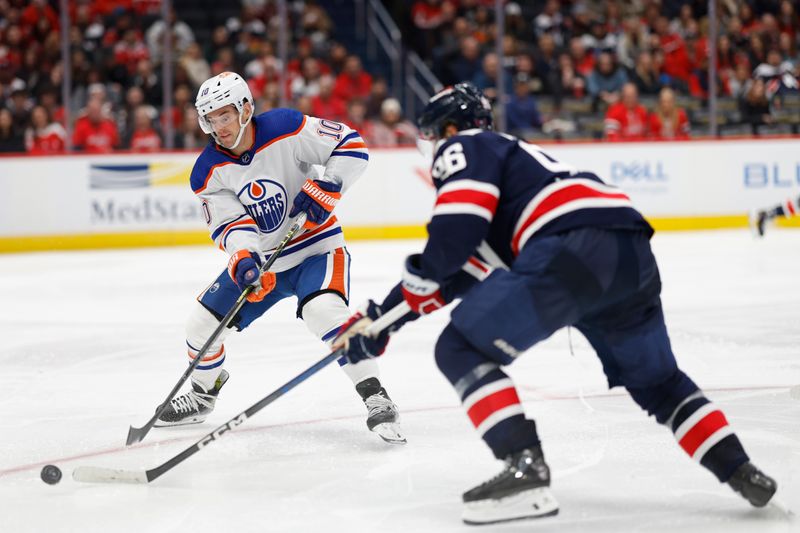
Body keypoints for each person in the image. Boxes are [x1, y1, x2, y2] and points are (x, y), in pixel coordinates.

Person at [333, 83, 777, 525]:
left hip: (571, 248)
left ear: (449, 128)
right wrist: (378, 324)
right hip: (629, 252)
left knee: (459, 348)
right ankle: (739, 468)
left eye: (432, 137)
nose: (432, 149)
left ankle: (525, 471)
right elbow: (455, 276)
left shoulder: (466, 144)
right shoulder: (521, 171)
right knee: (658, 383)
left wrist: (394, 306)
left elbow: (452, 239)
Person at [155, 71, 405, 445]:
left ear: (245, 109)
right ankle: (205, 393)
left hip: (318, 248)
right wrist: (245, 260)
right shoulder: (207, 172)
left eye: (225, 115)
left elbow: (351, 145)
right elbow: (231, 224)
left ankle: (375, 395)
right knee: (200, 326)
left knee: (325, 314)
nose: (219, 126)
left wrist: (329, 184)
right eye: (210, 119)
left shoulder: (286, 127)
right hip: (266, 263)